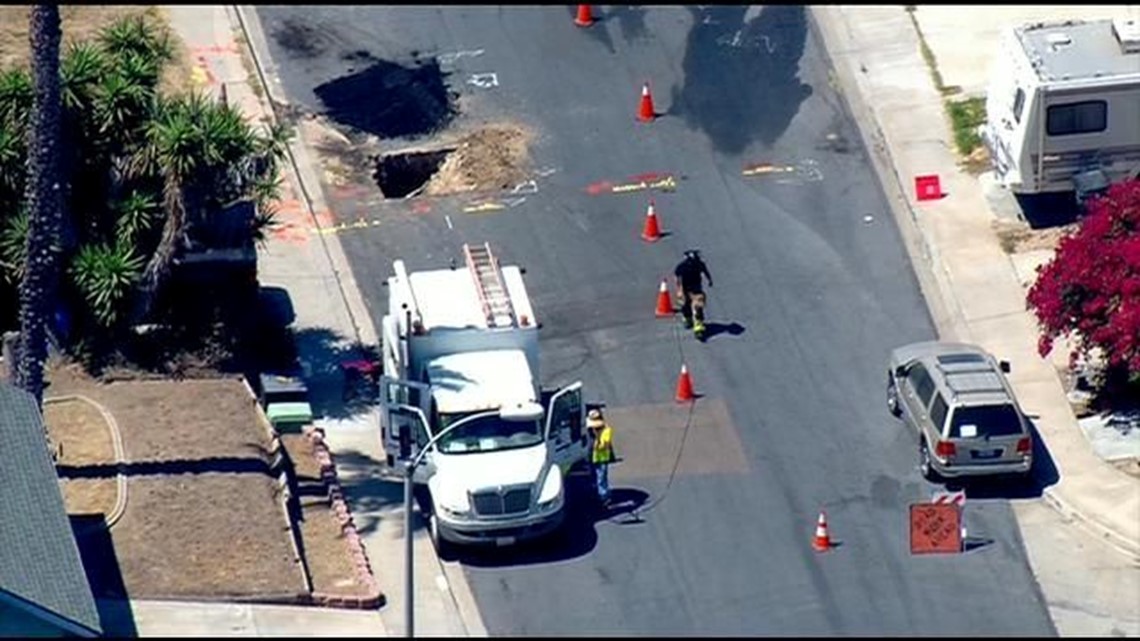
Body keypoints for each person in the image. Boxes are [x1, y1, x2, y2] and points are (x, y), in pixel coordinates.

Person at [673, 249, 713, 338]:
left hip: (696, 288)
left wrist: (709, 279)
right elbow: (677, 277)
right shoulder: (683, 267)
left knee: (698, 305)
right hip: (686, 288)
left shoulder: (697, 264)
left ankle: (698, 325)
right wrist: (679, 289)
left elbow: (705, 271)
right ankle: (688, 318)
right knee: (686, 305)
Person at [586, 408, 616, 503]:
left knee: (601, 477)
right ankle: (596, 494)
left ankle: (604, 496)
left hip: (601, 458)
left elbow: (604, 445)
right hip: (591, 457)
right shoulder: (589, 430)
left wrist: (597, 437)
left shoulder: (606, 431)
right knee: (593, 476)